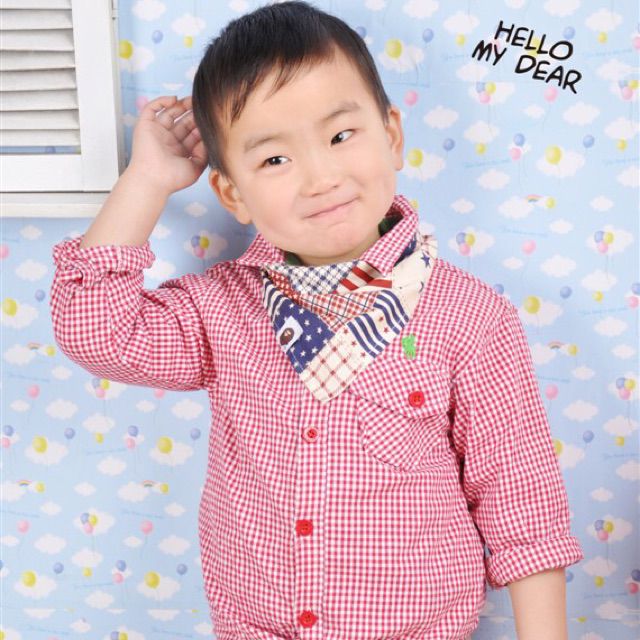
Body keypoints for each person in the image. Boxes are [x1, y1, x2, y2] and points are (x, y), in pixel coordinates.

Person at [49, 2, 583, 638]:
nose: (320, 178)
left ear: (391, 135)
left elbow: (522, 504)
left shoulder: (470, 317)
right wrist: (148, 180)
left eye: (340, 136)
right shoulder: (222, 310)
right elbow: (96, 332)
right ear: (233, 194)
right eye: (275, 160)